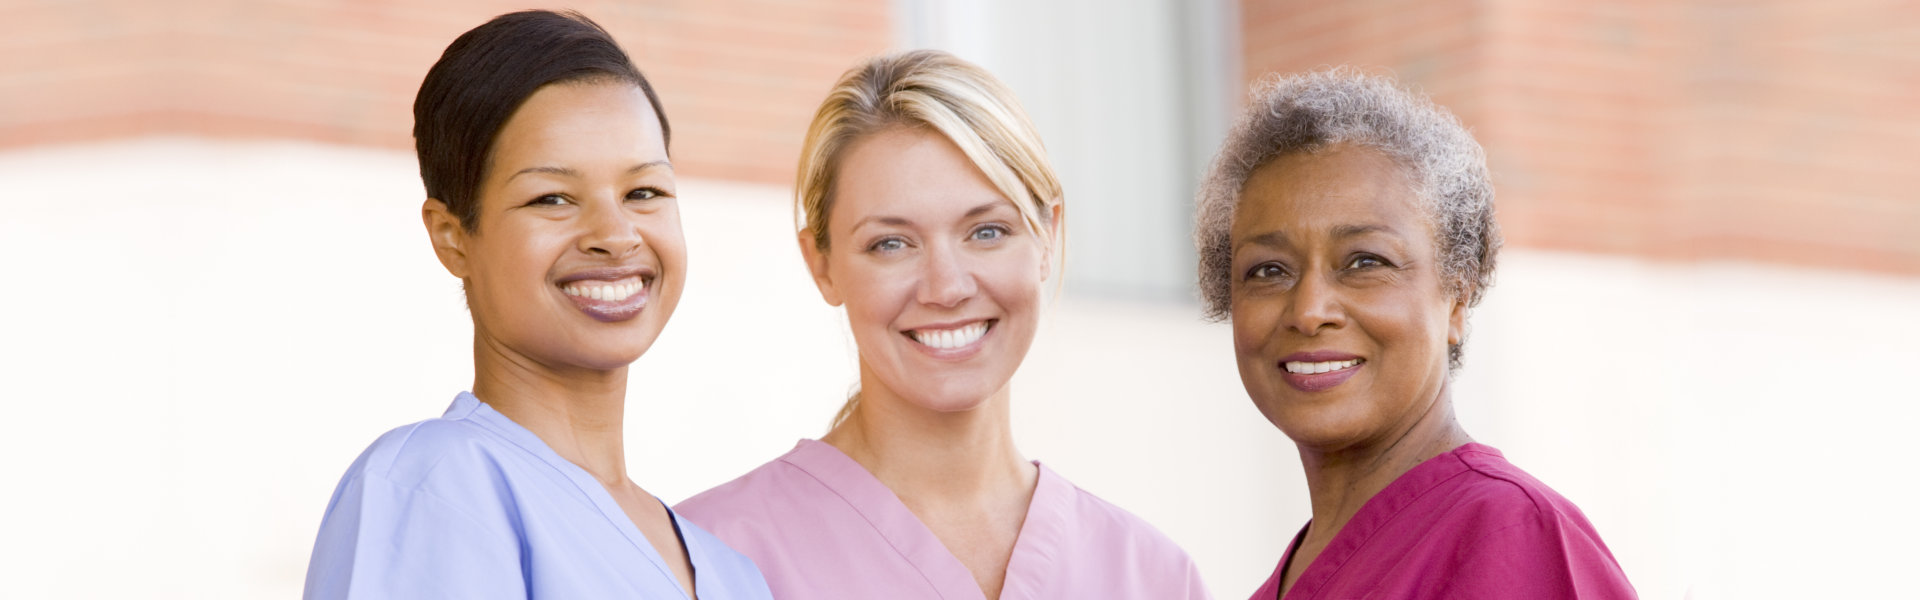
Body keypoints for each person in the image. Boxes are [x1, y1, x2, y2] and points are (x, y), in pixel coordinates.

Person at [676, 49, 1210, 600]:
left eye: (986, 232)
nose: (947, 287)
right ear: (822, 264)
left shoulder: (1152, 576)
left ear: (1047, 237)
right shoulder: (707, 560)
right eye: (891, 244)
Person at [302, 10, 771, 599]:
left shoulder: (732, 573)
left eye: (643, 191)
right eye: (552, 198)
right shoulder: (435, 486)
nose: (616, 233)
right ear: (452, 236)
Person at [1193, 67, 1637, 599]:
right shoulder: (1284, 583)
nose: (1309, 311)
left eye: (1364, 261)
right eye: (1268, 270)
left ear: (1456, 296)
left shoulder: (1512, 536)